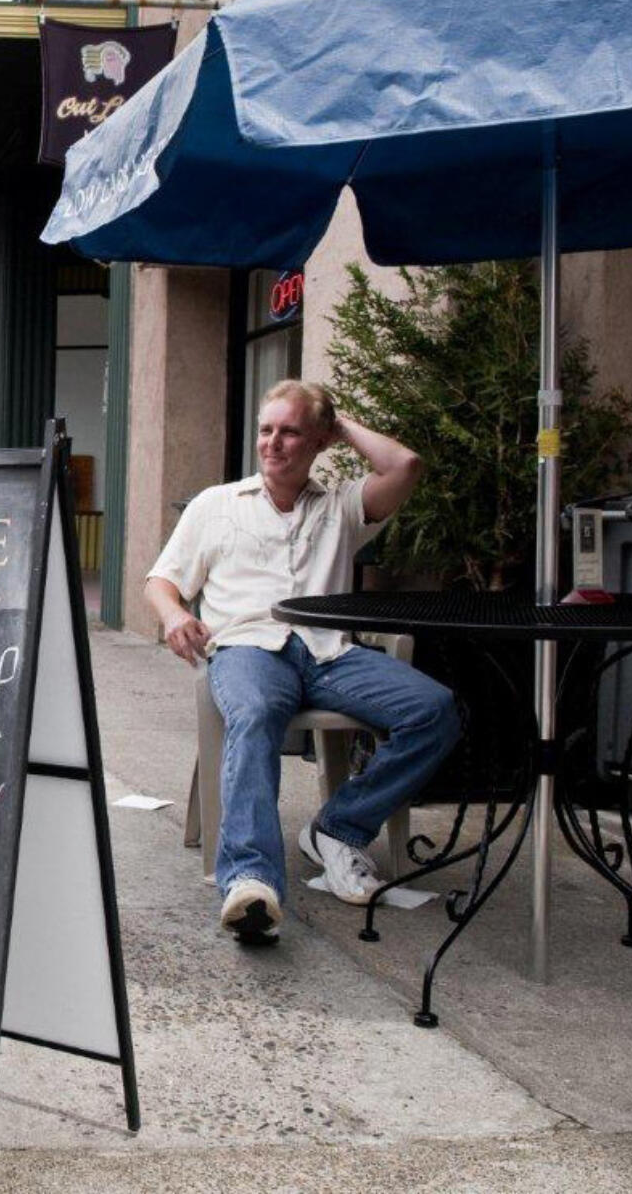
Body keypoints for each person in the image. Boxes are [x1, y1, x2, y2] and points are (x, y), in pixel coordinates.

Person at [144, 380, 459, 944]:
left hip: (329, 653)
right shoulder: (216, 505)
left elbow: (406, 465)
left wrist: (340, 427)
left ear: (317, 442)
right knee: (257, 711)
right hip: (247, 648)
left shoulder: (342, 507)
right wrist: (172, 616)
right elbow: (162, 581)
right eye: (266, 430)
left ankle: (339, 828)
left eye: (290, 432)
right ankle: (250, 881)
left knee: (434, 709)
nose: (273, 443)